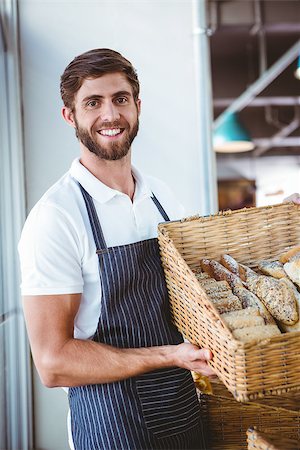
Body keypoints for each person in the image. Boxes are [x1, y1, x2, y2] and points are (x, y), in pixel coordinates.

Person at [18, 48, 215, 450]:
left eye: (120, 99)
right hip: (112, 424)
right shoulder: (57, 217)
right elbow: (53, 363)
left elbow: (201, 286)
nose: (110, 115)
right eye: (93, 102)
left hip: (183, 410)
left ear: (137, 107)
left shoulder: (160, 197)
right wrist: (168, 356)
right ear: (70, 116)